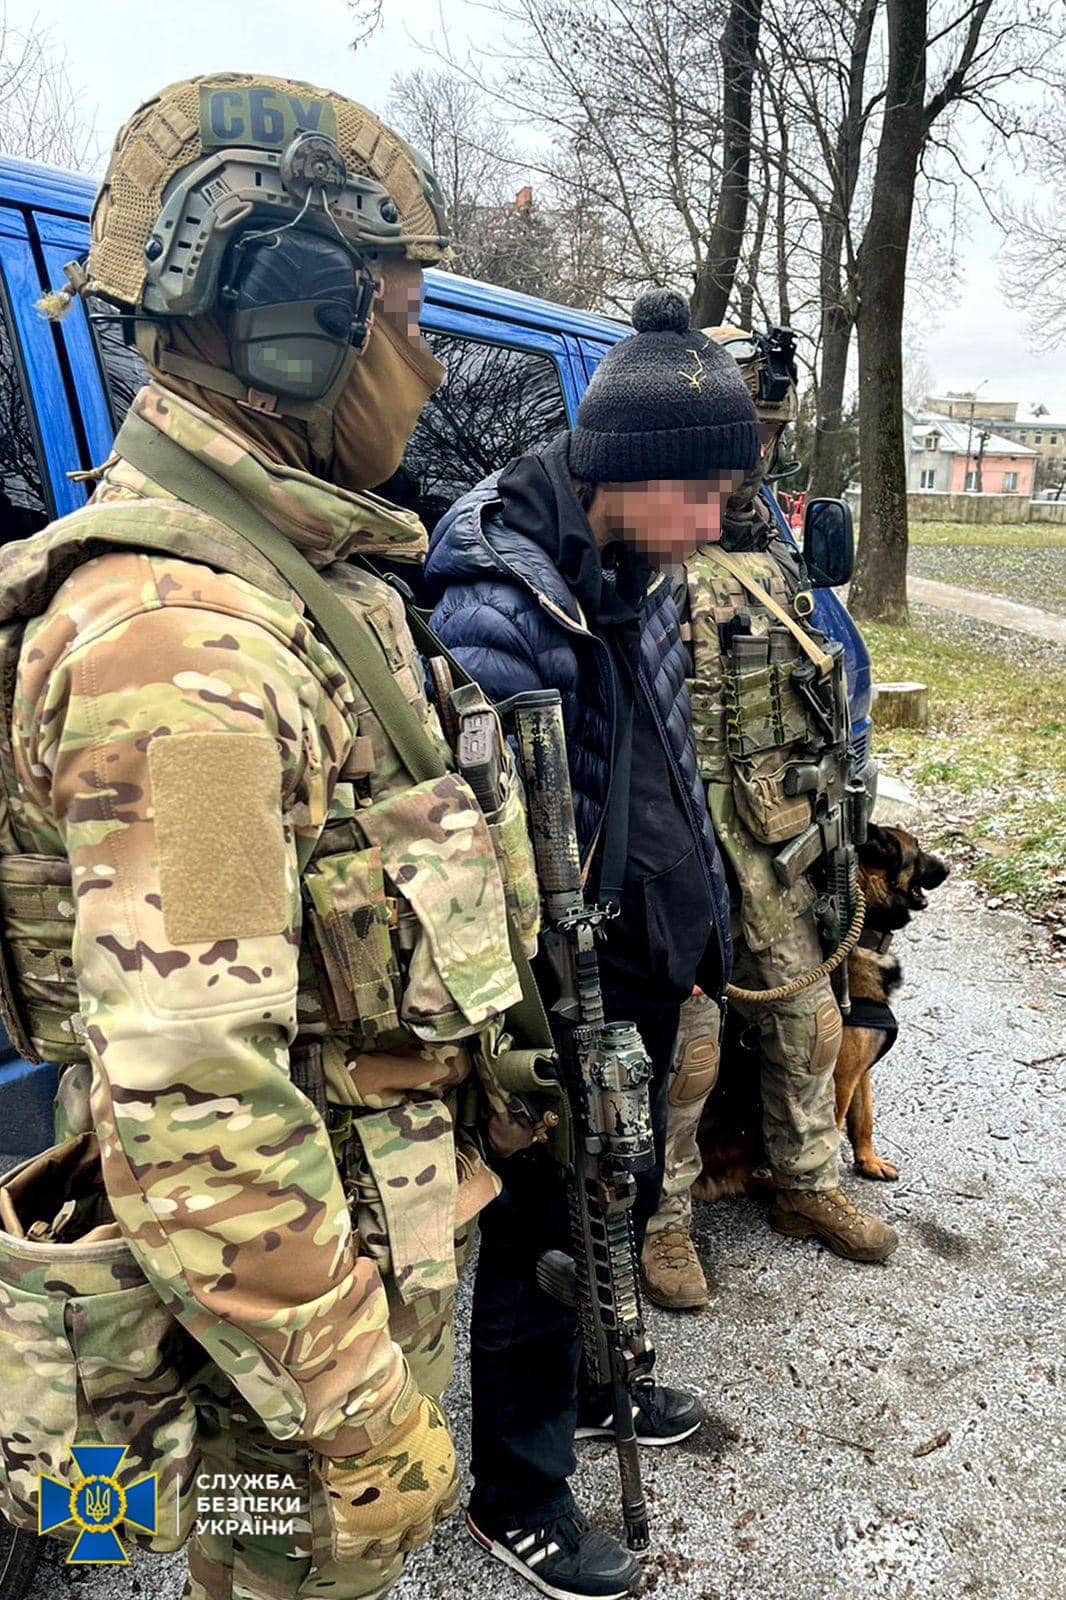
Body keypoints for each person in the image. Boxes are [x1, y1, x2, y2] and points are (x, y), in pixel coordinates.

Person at [0, 72, 526, 1600]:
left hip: (332, 1269)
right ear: (298, 325)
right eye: (409, 320)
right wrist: (359, 1416)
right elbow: (196, 1099)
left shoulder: (293, 583)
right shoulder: (186, 655)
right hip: (273, 1359)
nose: (428, 366)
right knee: (273, 1576)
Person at [425, 289, 760, 1600]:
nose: (714, 525)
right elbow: (488, 866)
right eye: (697, 495)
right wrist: (541, 1026)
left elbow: (669, 770)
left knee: (611, 1196)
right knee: (541, 1217)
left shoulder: (638, 564)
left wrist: (700, 926)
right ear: (623, 473)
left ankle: (605, 1384)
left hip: (643, 952)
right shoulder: (499, 602)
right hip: (553, 981)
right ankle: (519, 1487)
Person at [654, 325, 898, 1265]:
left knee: (810, 1015)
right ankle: (665, 1222)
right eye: (741, 430)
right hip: (687, 836)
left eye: (767, 433)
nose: (754, 452)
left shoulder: (772, 545)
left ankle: (806, 1184)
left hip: (777, 830)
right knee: (691, 1040)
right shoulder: (649, 537)